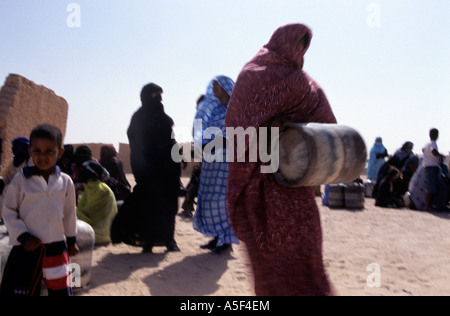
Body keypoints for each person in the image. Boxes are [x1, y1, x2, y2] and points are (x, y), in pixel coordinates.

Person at [226, 23, 336, 295]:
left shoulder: (307, 84)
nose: (299, 50)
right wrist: (270, 131)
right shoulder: (255, 75)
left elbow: (330, 132)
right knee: (271, 261)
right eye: (297, 43)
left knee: (306, 261)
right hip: (261, 189)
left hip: (297, 188)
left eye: (304, 44)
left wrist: (293, 133)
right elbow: (237, 131)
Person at [0, 124, 78, 296]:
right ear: (30, 151)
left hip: (57, 248)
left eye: (49, 151)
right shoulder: (20, 180)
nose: (42, 157)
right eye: (37, 151)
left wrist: (72, 240)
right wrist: (23, 236)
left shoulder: (65, 182)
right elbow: (8, 211)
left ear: (60, 152)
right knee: (22, 290)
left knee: (62, 290)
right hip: (25, 248)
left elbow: (70, 213)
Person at [112, 83, 180, 253]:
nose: (159, 98)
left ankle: (169, 240)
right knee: (149, 205)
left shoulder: (165, 119)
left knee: (169, 204)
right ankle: (148, 241)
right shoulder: (138, 118)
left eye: (160, 95)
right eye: (155, 95)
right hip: (149, 169)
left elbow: (171, 140)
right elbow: (136, 146)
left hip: (168, 169)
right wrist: (144, 168)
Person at [192, 76, 239, 255]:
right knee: (209, 197)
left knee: (223, 199)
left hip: (227, 161)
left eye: (216, 85)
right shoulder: (214, 111)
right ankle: (217, 237)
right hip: (211, 160)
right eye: (212, 85)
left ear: (226, 88)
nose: (213, 88)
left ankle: (226, 241)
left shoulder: (235, 110)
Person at [76, 160, 117, 245]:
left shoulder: (91, 188)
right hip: (107, 233)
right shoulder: (105, 188)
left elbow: (84, 212)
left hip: (92, 233)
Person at [0, 137, 31, 221]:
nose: (12, 149)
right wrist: (2, 181)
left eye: (15, 147)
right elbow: (6, 174)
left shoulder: (30, 162)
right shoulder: (14, 162)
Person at [422, 128, 445, 211]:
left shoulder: (427, 143)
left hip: (427, 166)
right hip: (432, 166)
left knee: (430, 186)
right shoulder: (433, 143)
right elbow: (434, 151)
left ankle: (429, 205)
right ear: (436, 135)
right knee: (430, 187)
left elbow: (423, 150)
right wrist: (440, 155)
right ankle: (428, 206)